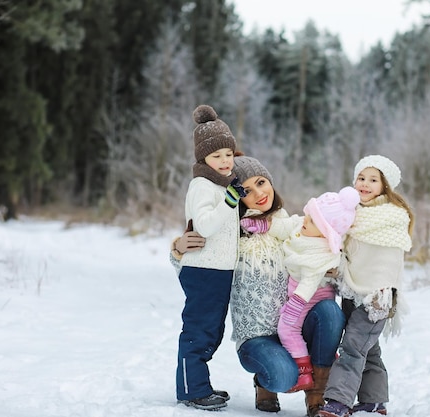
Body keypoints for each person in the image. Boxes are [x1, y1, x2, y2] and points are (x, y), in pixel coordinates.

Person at [171, 155, 345, 417]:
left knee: (330, 312)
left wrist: (334, 268)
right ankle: (264, 382)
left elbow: (333, 244)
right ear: (237, 197)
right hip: (256, 336)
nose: (259, 194)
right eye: (247, 190)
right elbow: (200, 269)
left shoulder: (296, 226)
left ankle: (317, 395)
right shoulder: (229, 233)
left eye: (261, 183)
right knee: (283, 375)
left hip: (297, 325)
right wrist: (178, 250)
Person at [316, 155, 415, 417]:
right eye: (361, 178)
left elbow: (389, 263)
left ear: (385, 187)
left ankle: (338, 401)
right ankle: (374, 400)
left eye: (374, 180)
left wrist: (383, 293)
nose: (365, 184)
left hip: (377, 297)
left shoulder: (392, 218)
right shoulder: (350, 215)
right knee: (367, 349)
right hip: (351, 291)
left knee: (352, 348)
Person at [174, 105, 247, 411]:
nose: (224, 161)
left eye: (228, 154)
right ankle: (192, 390)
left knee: (212, 331)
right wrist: (230, 201)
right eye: (216, 156)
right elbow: (204, 225)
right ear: (203, 159)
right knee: (200, 330)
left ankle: (200, 384)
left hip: (218, 270)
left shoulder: (220, 185)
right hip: (204, 269)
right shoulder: (202, 186)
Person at [272, 187, 360, 393]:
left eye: (311, 220)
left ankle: (303, 371)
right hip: (301, 293)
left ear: (325, 231)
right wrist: (260, 225)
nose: (304, 220)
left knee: (287, 328)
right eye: (308, 215)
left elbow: (309, 283)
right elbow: (283, 227)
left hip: (308, 297)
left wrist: (294, 305)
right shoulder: (303, 231)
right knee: (289, 326)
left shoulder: (321, 253)